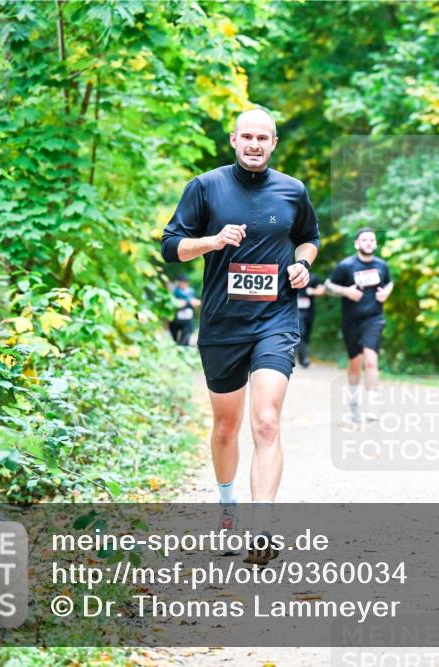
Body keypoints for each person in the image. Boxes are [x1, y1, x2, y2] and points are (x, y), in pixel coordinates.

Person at [160, 107, 320, 564]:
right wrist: (211, 241)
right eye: (246, 136)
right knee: (226, 427)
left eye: (263, 138)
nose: (254, 144)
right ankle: (228, 510)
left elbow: (310, 237)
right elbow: (171, 247)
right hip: (222, 324)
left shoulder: (293, 190)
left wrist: (302, 265)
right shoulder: (206, 187)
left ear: (273, 143)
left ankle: (263, 526)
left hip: (275, 320)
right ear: (233, 140)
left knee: (266, 421)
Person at [325, 227, 393, 422]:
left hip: (374, 319)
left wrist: (386, 292)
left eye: (372, 240)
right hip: (352, 320)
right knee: (355, 364)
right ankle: (354, 408)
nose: (369, 243)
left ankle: (372, 407)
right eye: (364, 240)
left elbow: (389, 283)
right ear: (357, 244)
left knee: (371, 361)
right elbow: (328, 285)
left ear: (376, 243)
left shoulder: (382, 265)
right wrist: (346, 291)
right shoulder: (346, 266)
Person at [296, 271, 325, 367]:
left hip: (309, 311)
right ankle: (303, 359)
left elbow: (321, 290)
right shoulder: (288, 275)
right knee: (301, 333)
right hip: (295, 311)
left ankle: (299, 353)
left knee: (306, 334)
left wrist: (313, 291)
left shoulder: (312, 276)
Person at [169, 274, 200, 346]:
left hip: (187, 320)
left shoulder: (191, 291)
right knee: (175, 339)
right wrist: (188, 302)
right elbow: (175, 303)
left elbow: (196, 303)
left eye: (185, 282)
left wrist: (188, 303)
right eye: (182, 282)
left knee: (185, 340)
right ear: (179, 283)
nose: (184, 284)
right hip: (176, 319)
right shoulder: (175, 292)